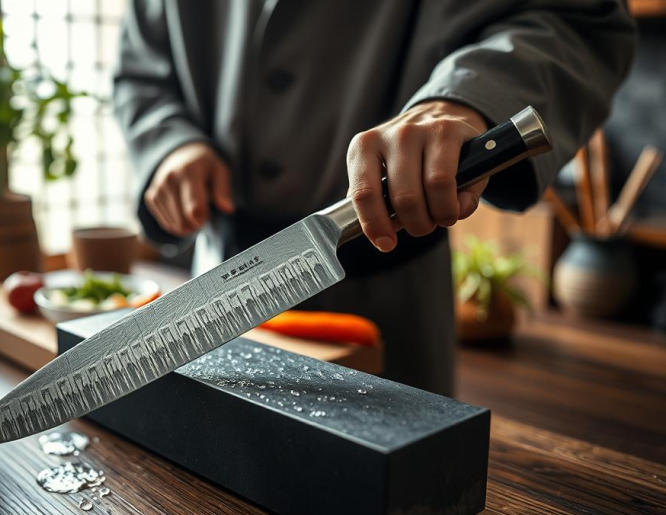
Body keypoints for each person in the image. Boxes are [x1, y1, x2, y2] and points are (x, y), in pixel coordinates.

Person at [113, 0, 636, 396]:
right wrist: (168, 142)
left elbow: (576, 17)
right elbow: (141, 68)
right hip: (219, 285)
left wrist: (468, 96)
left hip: (393, 302)